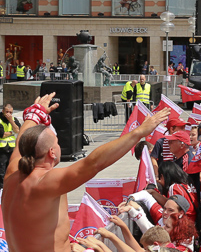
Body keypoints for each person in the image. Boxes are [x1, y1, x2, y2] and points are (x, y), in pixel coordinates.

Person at [1, 93, 169, 252]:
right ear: (52, 152)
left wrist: (35, 115)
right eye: (57, 142)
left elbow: (20, 142)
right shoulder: (46, 182)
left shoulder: (12, 172)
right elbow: (94, 162)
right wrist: (140, 132)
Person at [0, 103, 20, 188]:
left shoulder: (13, 119)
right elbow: (2, 135)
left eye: (11, 112)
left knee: (11, 169)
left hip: (11, 149)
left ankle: (10, 186)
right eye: (7, 112)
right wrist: (12, 132)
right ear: (2, 111)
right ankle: (1, 188)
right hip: (2, 150)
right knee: (1, 171)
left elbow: (18, 130)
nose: (9, 114)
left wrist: (11, 121)